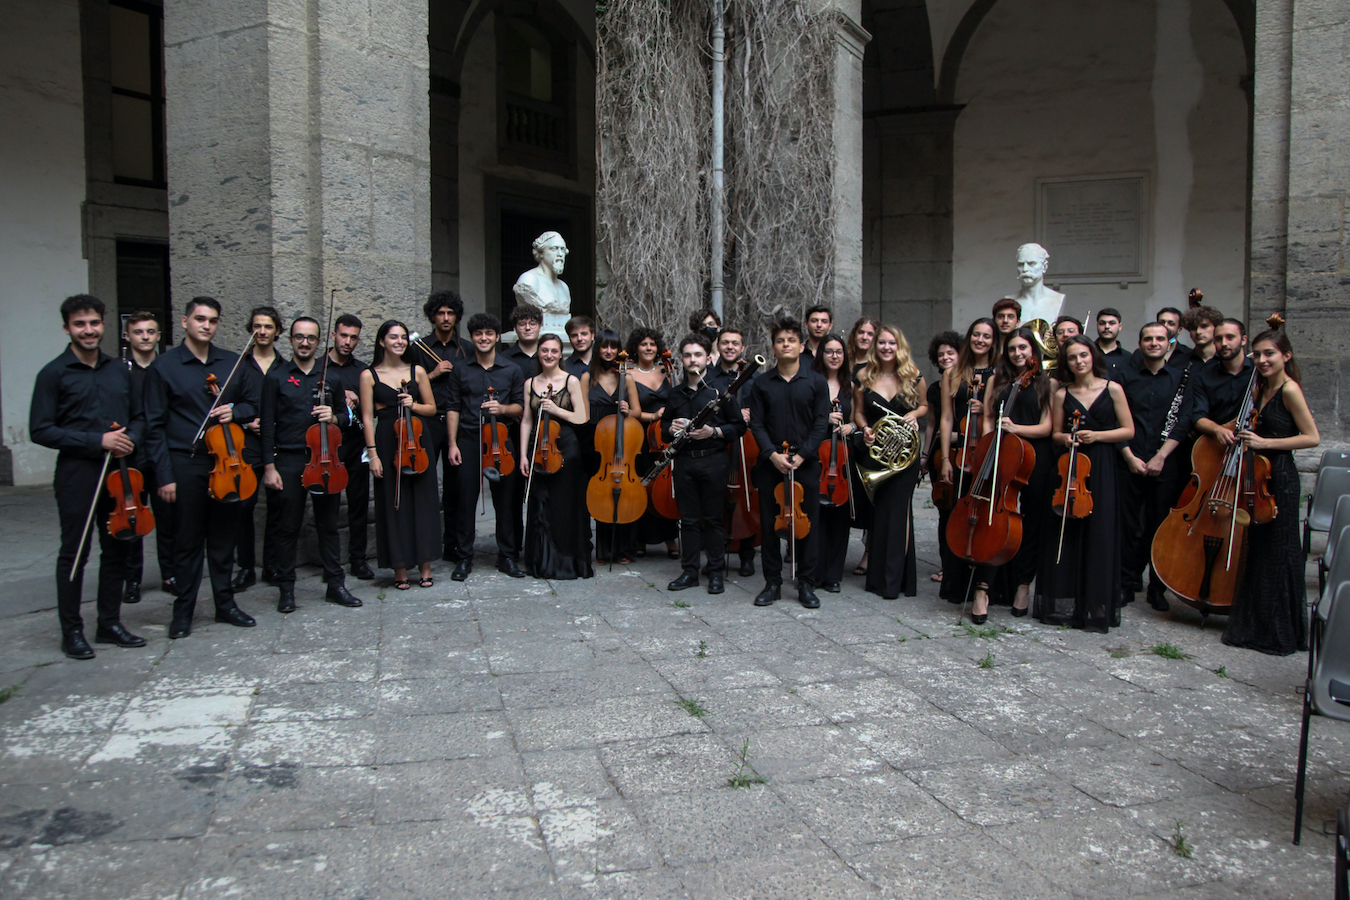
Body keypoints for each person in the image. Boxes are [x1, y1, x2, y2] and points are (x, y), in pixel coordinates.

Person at [30, 294, 147, 659]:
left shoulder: (119, 369)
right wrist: (97, 441)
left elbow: (142, 417)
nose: (88, 330)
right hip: (78, 472)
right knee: (75, 552)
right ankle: (72, 630)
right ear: (67, 328)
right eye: (80, 324)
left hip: (120, 471)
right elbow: (41, 430)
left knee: (118, 547)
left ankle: (109, 622)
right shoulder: (53, 373)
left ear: (103, 324)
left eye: (94, 323)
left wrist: (130, 441)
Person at [143, 296, 259, 639]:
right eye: (200, 319)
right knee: (188, 541)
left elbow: (253, 404)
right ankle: (184, 612)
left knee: (224, 539)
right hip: (186, 461)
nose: (206, 325)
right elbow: (153, 427)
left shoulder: (231, 363)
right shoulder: (165, 366)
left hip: (227, 463)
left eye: (212, 320)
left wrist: (233, 412)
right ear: (185, 322)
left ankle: (225, 605)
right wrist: (163, 475)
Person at [1221, 328, 1319, 656]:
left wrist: (1265, 443)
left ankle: (1280, 632)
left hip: (1281, 479)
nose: (1262, 360)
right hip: (1257, 476)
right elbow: (1242, 423)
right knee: (1260, 551)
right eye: (1258, 354)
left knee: (1280, 553)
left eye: (1270, 354)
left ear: (1286, 356)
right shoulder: (1260, 388)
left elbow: (1311, 437)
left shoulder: (1290, 390)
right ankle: (1257, 626)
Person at [259, 317, 364, 611]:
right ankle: (286, 590)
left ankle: (335, 584)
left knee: (328, 525)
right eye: (299, 337)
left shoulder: (330, 376)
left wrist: (334, 417)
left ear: (320, 342)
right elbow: (267, 425)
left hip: (326, 459)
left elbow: (348, 419)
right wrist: (269, 467)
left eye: (311, 338)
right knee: (287, 527)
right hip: (290, 461)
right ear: (290, 339)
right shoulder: (276, 377)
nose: (304, 343)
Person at [1037, 337, 1134, 632]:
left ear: (1092, 356)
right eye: (1073, 358)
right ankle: (1068, 602)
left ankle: (1097, 604)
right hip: (1071, 467)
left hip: (1101, 467)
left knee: (1099, 532)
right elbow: (1054, 433)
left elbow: (1128, 430)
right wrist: (1066, 438)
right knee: (1067, 533)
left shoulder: (1112, 389)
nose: (1079, 362)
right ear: (1066, 363)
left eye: (1083, 355)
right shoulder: (1062, 394)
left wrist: (1098, 436)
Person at [748, 317, 830, 608]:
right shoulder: (761, 383)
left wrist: (803, 454)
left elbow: (821, 424)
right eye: (780, 341)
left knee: (807, 525)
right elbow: (756, 423)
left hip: (805, 463)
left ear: (800, 345)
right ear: (773, 348)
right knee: (771, 525)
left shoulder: (816, 382)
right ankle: (772, 583)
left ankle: (806, 583)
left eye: (791, 340)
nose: (786, 344)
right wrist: (772, 454)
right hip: (772, 463)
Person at [1117, 322, 1194, 612]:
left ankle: (1157, 588)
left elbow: (1183, 421)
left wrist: (1161, 457)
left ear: (1169, 344)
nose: (1153, 343)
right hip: (1130, 461)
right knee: (1127, 527)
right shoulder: (1123, 377)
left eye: (1159, 338)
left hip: (1166, 463)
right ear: (1140, 343)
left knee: (1160, 527)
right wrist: (1129, 457)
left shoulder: (1182, 379)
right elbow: (1114, 419)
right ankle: (1126, 584)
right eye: (1148, 338)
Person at [976, 327, 1053, 618]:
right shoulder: (997, 380)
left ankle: (1023, 584)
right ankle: (983, 588)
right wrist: (986, 447)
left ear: (1033, 351)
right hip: (999, 455)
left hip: (1034, 459)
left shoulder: (1047, 384)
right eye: (1012, 349)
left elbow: (1047, 427)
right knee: (993, 522)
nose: (1018, 353)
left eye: (1023, 348)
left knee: (1030, 524)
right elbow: (987, 417)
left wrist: (1015, 429)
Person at [662, 333, 746, 593]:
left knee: (712, 520)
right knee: (687, 520)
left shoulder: (720, 393)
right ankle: (689, 572)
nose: (692, 359)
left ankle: (716, 573)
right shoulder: (675, 394)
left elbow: (739, 427)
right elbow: (664, 425)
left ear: (709, 358)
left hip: (714, 461)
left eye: (698, 354)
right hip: (685, 462)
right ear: (682, 359)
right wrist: (671, 427)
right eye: (687, 355)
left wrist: (715, 432)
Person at [359, 321, 440, 590]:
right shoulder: (369, 375)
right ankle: (400, 568)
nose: (399, 341)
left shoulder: (418, 371)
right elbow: (367, 418)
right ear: (381, 341)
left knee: (423, 501)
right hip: (386, 441)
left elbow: (431, 408)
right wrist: (372, 455)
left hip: (417, 440)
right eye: (393, 337)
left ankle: (425, 566)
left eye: (403, 337)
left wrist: (413, 404)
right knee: (393, 504)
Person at [446, 313, 528, 579]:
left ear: (496, 337)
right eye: (478, 333)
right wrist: (452, 443)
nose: (483, 338)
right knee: (465, 500)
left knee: (505, 501)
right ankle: (464, 557)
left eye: (489, 333)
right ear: (472, 337)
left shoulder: (511, 369)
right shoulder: (461, 368)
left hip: (501, 441)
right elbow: (453, 407)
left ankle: (507, 556)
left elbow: (520, 407)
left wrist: (502, 407)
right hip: (468, 440)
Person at [853, 325, 927, 600]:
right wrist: (866, 430)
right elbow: (859, 412)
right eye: (881, 342)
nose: (886, 347)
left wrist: (915, 414)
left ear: (899, 347)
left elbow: (925, 405)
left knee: (899, 514)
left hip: (904, 458)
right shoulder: (864, 376)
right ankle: (878, 578)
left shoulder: (912, 375)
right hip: (878, 456)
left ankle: (895, 579)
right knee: (880, 514)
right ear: (875, 346)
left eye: (891, 343)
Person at [519, 334, 594, 579]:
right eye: (544, 350)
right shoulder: (530, 383)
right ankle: (541, 561)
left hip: (567, 449)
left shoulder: (571, 381)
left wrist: (556, 409)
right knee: (541, 502)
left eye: (554, 351)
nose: (549, 355)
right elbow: (527, 421)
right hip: (539, 447)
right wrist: (523, 455)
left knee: (563, 505)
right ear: (538, 353)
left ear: (560, 354)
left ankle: (565, 561)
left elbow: (582, 417)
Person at [937, 318, 996, 601]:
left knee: (985, 519)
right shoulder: (954, 372)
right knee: (957, 516)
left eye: (986, 336)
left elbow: (1000, 414)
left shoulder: (999, 373)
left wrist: (984, 408)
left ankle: (983, 585)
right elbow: (946, 417)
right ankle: (956, 584)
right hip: (961, 453)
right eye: (976, 334)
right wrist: (946, 459)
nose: (980, 340)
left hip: (988, 451)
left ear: (994, 341)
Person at [411, 291, 473, 562]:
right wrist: (432, 375)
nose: (446, 318)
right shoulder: (418, 347)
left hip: (457, 424)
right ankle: (425, 546)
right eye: (440, 313)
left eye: (450, 313)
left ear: (457, 316)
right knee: (424, 486)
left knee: (456, 487)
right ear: (433, 316)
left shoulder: (466, 348)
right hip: (427, 423)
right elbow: (406, 389)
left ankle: (453, 546)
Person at [121, 310, 176, 600]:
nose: (145, 337)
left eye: (150, 332)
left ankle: (170, 574)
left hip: (163, 455)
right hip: (131, 456)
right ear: (128, 336)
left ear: (158, 336)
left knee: (168, 519)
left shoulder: (167, 369)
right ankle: (132, 579)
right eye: (139, 332)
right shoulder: (121, 373)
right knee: (133, 519)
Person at [232, 306, 284, 591]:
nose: (262, 332)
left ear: (277, 331)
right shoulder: (239, 367)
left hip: (276, 443)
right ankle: (246, 567)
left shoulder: (285, 367)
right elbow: (227, 406)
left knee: (277, 507)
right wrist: (246, 421)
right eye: (257, 326)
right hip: (247, 445)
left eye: (267, 327)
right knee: (244, 506)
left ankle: (272, 565)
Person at [581, 329, 641, 563]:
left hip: (622, 442)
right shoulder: (588, 377)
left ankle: (623, 549)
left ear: (619, 351)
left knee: (626, 493)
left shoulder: (626, 378)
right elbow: (582, 412)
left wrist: (628, 411)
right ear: (597, 349)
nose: (608, 351)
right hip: (596, 443)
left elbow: (637, 411)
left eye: (613, 347)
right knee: (601, 495)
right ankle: (604, 551)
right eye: (604, 347)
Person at [324, 314, 375, 580]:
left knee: (358, 503)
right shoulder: (319, 367)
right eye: (343, 336)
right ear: (334, 335)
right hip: (325, 446)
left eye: (353, 337)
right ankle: (329, 563)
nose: (348, 342)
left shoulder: (361, 370)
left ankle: (358, 559)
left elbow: (372, 409)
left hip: (355, 442)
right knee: (327, 506)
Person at [808, 334, 858, 593]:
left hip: (843, 457)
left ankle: (833, 575)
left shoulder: (851, 385)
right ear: (821, 355)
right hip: (818, 452)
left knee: (839, 517)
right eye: (829, 351)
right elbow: (803, 416)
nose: (835, 356)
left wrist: (850, 425)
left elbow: (859, 417)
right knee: (816, 516)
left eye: (839, 351)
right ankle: (813, 572)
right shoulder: (812, 383)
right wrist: (823, 420)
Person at [709, 326, 758, 577]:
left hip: (746, 443)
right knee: (715, 499)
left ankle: (747, 555)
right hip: (719, 443)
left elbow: (764, 408)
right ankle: (715, 556)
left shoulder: (753, 377)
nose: (730, 347)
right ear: (718, 346)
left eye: (735, 343)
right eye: (725, 342)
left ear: (742, 348)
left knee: (746, 500)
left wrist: (751, 414)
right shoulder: (709, 377)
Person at [628, 327, 679, 557]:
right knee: (643, 484)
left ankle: (670, 537)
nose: (648, 348)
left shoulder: (667, 370)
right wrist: (654, 416)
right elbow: (633, 412)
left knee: (666, 487)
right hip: (641, 436)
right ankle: (641, 539)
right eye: (643, 344)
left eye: (652, 344)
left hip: (665, 437)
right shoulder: (629, 374)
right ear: (636, 348)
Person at [923, 330, 960, 587]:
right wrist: (925, 455)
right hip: (940, 453)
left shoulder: (971, 383)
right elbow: (932, 424)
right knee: (944, 511)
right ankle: (947, 565)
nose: (945, 357)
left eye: (950, 353)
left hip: (967, 450)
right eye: (941, 354)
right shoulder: (936, 388)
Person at [1192, 319, 1253, 440]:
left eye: (1230, 337)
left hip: (1252, 442)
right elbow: (1198, 416)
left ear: (1244, 340)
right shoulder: (1203, 374)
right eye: (1219, 339)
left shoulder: (1257, 372)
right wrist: (1217, 429)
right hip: (1216, 442)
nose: (1224, 343)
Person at [1007, 243, 1065, 324]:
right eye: (1021, 264)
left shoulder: (1057, 299)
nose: (1025, 269)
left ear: (1044, 267)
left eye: (1031, 264)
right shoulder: (1009, 301)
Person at [1094, 308, 1127, 379]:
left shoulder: (1128, 358)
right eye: (1102, 323)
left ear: (1120, 326)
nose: (1107, 327)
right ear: (1097, 326)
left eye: (1112, 323)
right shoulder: (1086, 352)